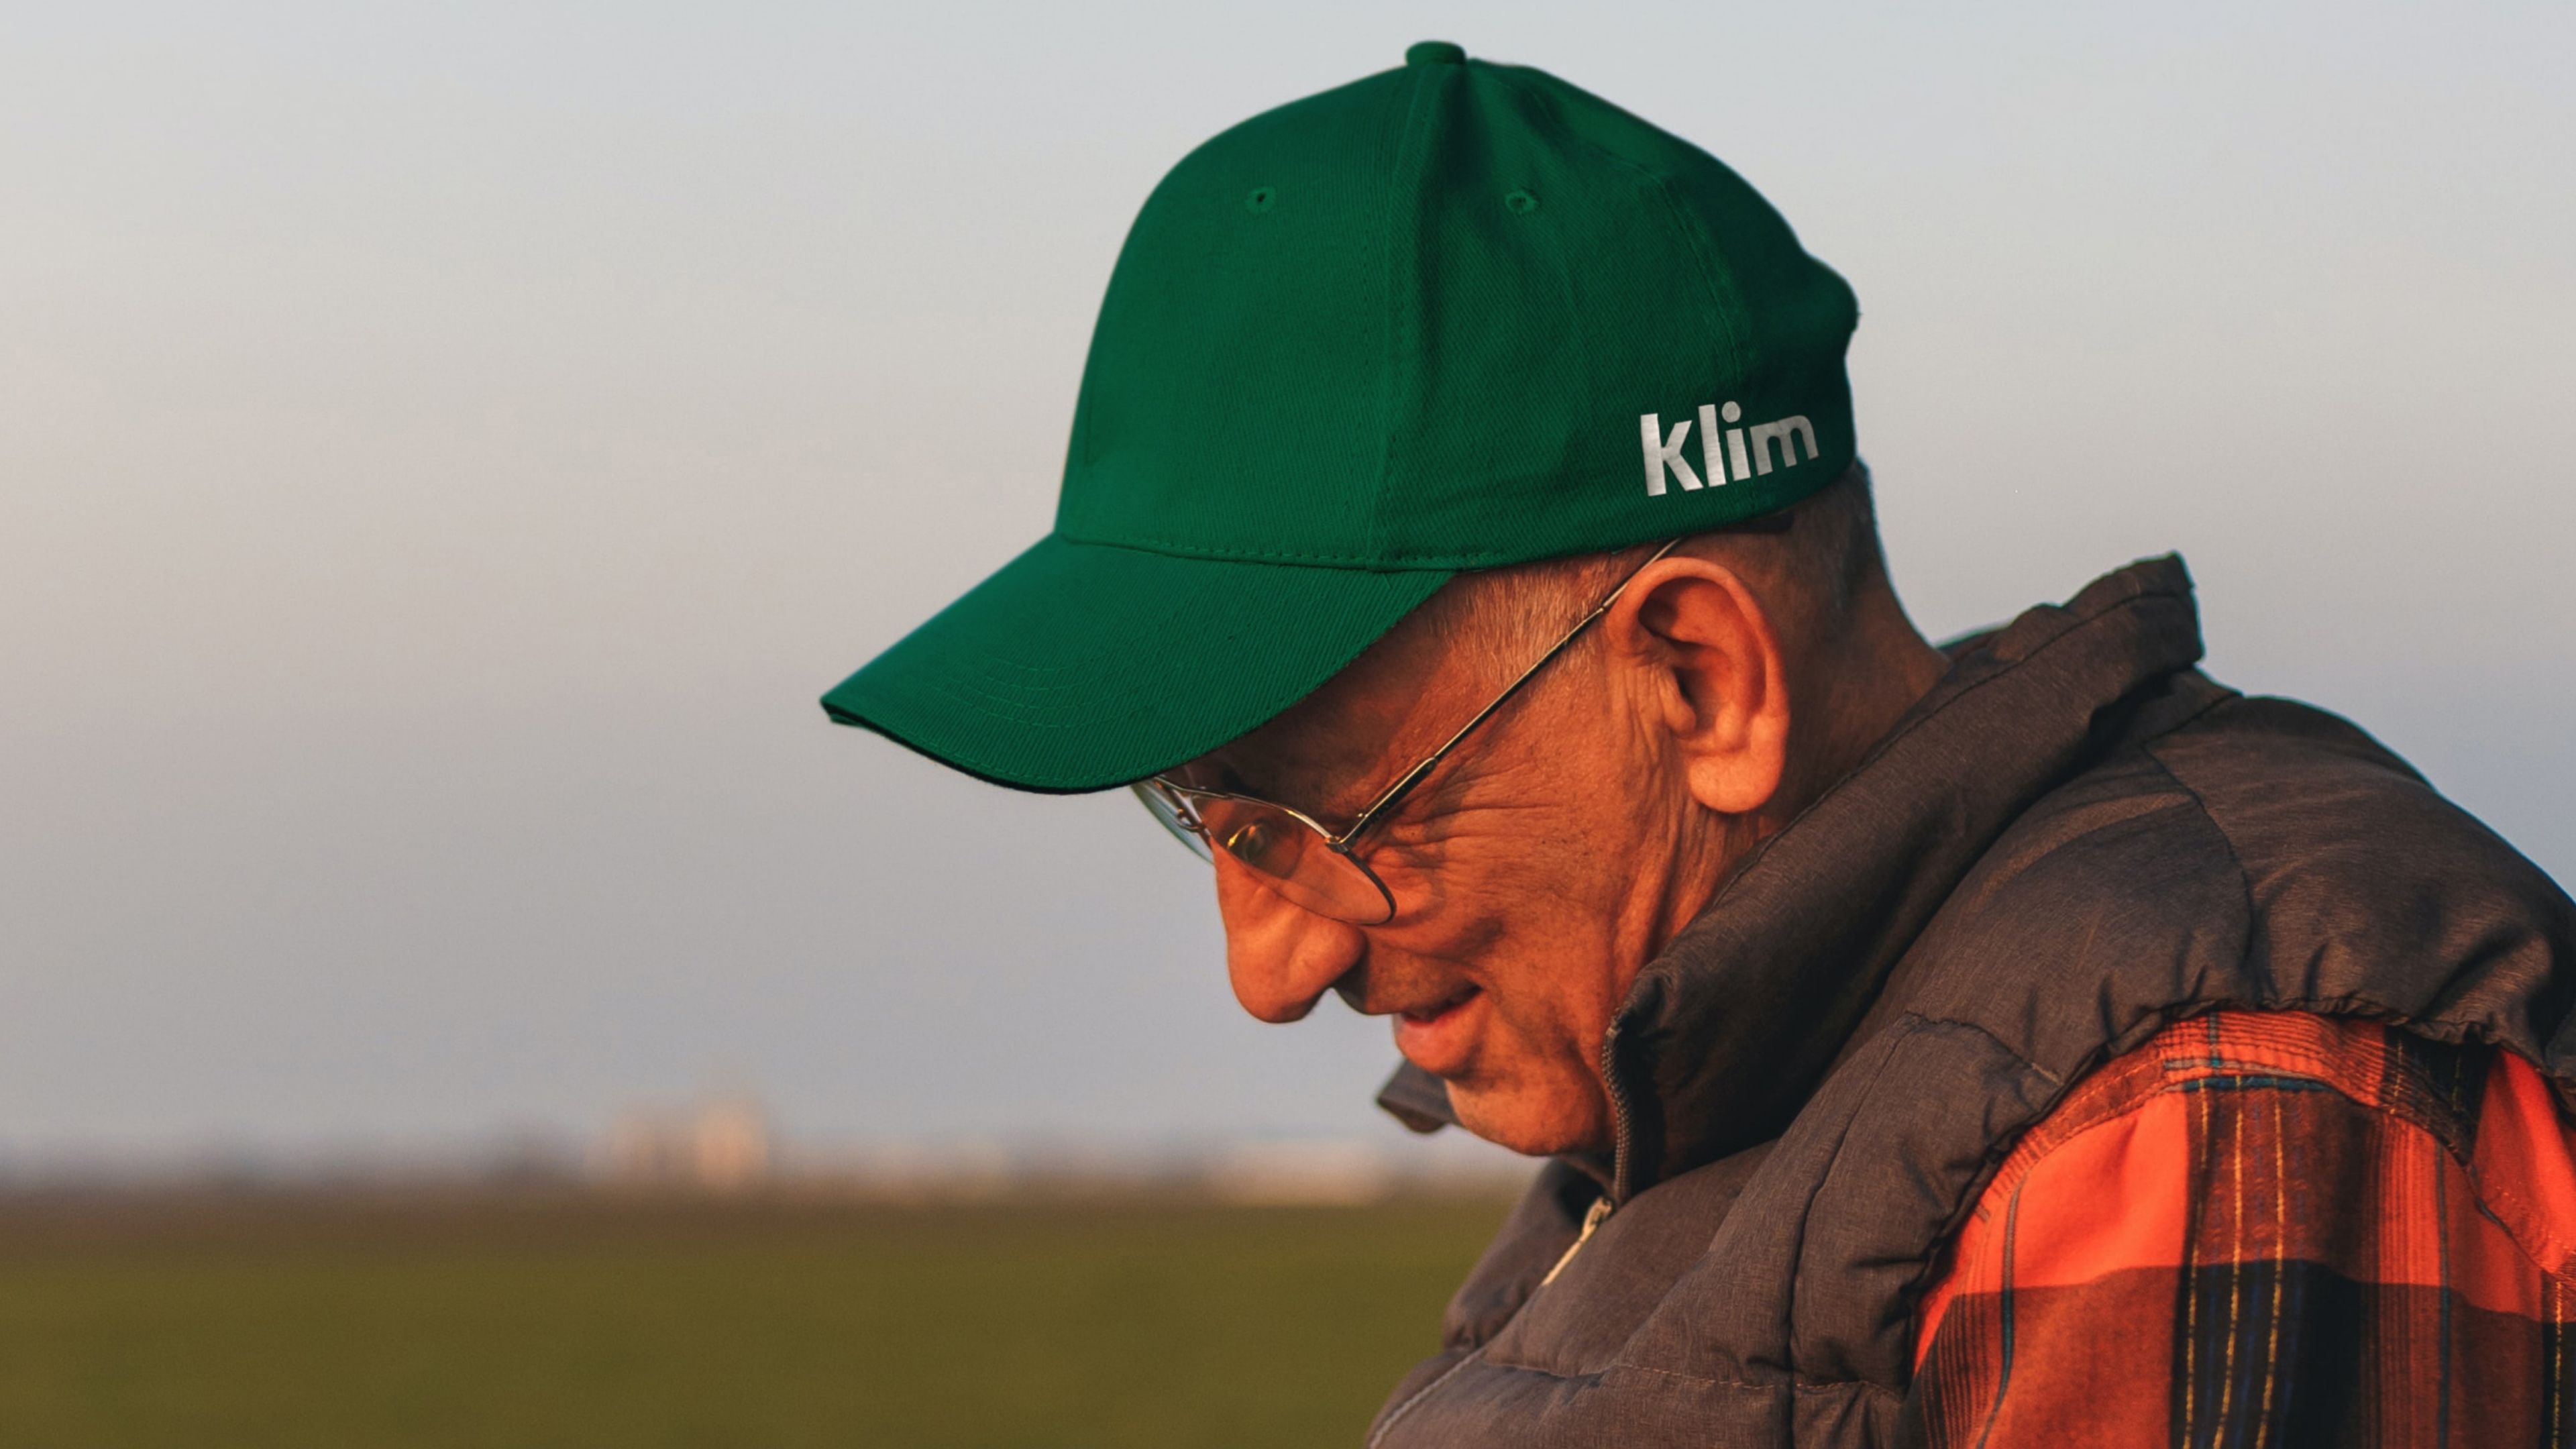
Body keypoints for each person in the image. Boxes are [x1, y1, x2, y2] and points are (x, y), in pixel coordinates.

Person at [821, 41, 2576, 1447]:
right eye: (1201, 817)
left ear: (1699, 681)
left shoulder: (2201, 1099)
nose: (1266, 970)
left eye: (1323, 814)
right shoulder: (1729, 1077)